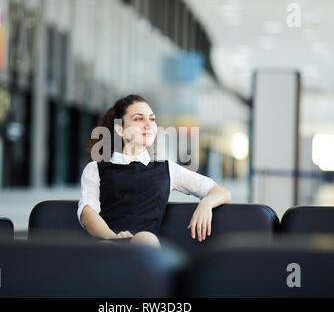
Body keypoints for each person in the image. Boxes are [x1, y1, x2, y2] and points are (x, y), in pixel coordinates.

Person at [77, 94, 231, 248]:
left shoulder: (167, 169)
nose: (148, 124)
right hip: (108, 247)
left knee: (144, 238)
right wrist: (113, 238)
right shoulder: (96, 169)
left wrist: (206, 203)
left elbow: (221, 192)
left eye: (152, 119)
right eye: (138, 119)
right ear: (120, 129)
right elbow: (87, 212)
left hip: (147, 253)